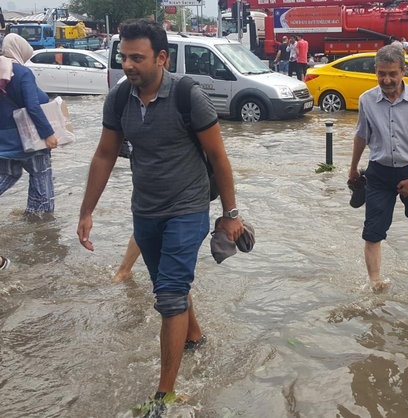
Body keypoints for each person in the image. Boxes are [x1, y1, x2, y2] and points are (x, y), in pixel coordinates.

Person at [76, 19, 244, 412]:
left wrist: (230, 214)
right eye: (124, 57)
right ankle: (196, 338)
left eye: (138, 57)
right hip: (146, 211)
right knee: (171, 286)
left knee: (168, 295)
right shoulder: (119, 99)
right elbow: (104, 154)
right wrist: (86, 211)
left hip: (187, 208)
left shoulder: (188, 95)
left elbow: (218, 156)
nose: (128, 65)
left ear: (162, 58)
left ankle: (163, 393)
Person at [348, 45, 408, 292]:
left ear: (403, 72)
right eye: (381, 74)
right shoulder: (367, 100)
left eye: (392, 74)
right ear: (376, 71)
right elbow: (361, 136)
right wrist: (353, 168)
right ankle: (375, 281)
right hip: (379, 173)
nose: (386, 80)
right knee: (372, 231)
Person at [0, 34, 58, 216]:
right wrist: (48, 133)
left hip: (4, 140)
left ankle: (33, 217)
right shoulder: (22, 72)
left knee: (9, 174)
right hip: (30, 137)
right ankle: (40, 220)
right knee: (41, 178)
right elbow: (32, 106)